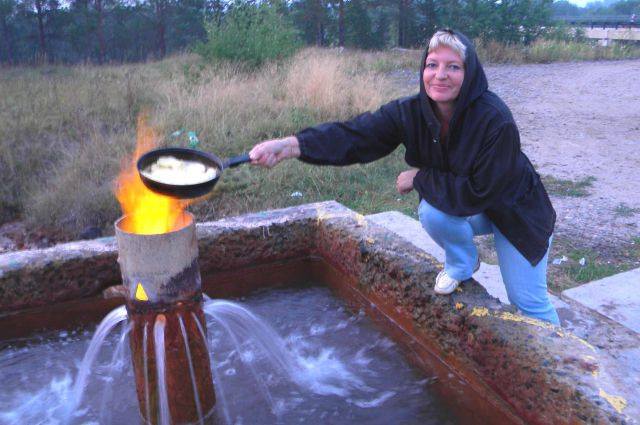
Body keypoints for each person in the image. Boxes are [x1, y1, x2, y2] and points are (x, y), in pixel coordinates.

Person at [249, 29, 560, 325]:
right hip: (472, 204)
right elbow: (356, 135)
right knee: (432, 212)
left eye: (453, 66)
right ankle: (463, 263)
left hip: (516, 212)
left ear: (470, 74)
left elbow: (479, 192)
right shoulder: (411, 111)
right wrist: (292, 146)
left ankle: (564, 373)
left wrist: (421, 178)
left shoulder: (496, 120)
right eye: (432, 65)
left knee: (527, 301)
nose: (440, 75)